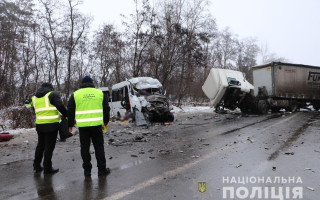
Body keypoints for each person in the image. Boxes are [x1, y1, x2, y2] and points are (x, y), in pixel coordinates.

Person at [67, 76, 110, 177]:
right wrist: (106, 120)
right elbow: (106, 108)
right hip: (97, 126)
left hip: (83, 127)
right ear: (92, 83)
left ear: (82, 84)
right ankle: (102, 170)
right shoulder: (100, 93)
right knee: (99, 147)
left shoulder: (75, 94)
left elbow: (70, 110)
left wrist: (70, 124)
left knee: (85, 148)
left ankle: (87, 171)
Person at [31, 83, 67, 174]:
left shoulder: (34, 97)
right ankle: (47, 168)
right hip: (51, 125)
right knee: (49, 147)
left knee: (40, 145)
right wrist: (66, 115)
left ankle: (37, 166)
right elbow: (61, 106)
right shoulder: (52, 94)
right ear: (50, 88)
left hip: (39, 125)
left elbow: (34, 110)